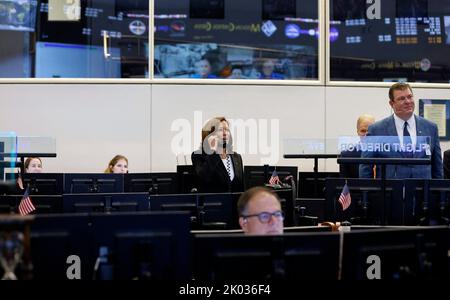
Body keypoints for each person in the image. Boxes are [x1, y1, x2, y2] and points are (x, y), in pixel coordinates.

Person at [359, 82, 443, 179]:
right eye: (402, 98)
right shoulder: (376, 130)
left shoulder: (431, 128)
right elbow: (365, 166)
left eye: (410, 97)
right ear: (391, 103)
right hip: (389, 192)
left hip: (423, 191)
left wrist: (438, 193)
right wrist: (369, 193)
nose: (408, 101)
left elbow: (437, 167)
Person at [191, 117, 244, 193]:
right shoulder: (198, 156)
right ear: (209, 135)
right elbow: (204, 179)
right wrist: (212, 152)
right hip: (213, 203)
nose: (225, 133)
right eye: (220, 130)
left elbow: (240, 187)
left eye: (227, 130)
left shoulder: (237, 157)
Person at [340, 114, 375, 178]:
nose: (366, 135)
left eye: (370, 130)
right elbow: (344, 184)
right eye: (363, 131)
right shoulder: (347, 155)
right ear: (357, 131)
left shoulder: (384, 153)